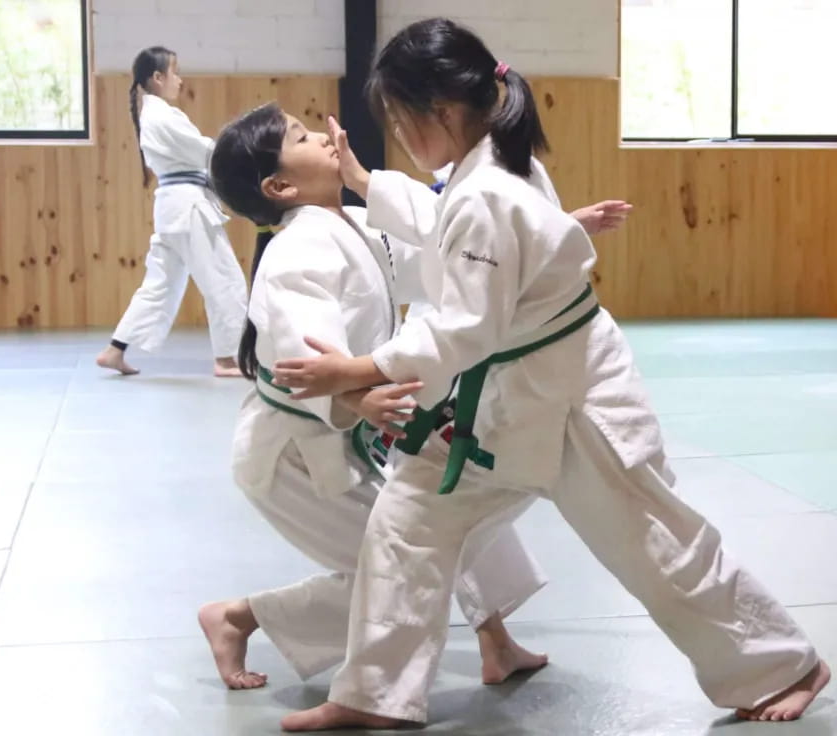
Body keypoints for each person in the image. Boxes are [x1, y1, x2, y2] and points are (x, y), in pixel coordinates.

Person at [272, 18, 829, 730]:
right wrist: (362, 180)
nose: (400, 136)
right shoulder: (487, 166)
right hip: (501, 400)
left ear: (439, 113)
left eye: (401, 119)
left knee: (652, 543)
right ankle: (374, 695)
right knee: (406, 523)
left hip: (572, 399)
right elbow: (445, 221)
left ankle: (786, 665)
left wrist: (358, 367)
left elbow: (467, 326)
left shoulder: (488, 192)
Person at [196, 103, 549, 691]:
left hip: (343, 435)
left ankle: (497, 643)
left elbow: (442, 253)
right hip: (292, 459)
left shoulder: (355, 226)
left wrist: (541, 237)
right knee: (402, 565)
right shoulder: (294, 250)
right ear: (279, 186)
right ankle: (238, 617)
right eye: (302, 137)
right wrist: (357, 398)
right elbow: (299, 349)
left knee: (448, 508)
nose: (324, 139)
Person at [95, 46, 247, 377]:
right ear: (158, 77)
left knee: (161, 284)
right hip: (188, 207)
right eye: (174, 73)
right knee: (224, 279)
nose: (180, 79)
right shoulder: (163, 115)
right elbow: (205, 150)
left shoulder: (153, 114)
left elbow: (199, 153)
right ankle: (226, 358)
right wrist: (241, 151)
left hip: (173, 207)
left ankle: (115, 349)